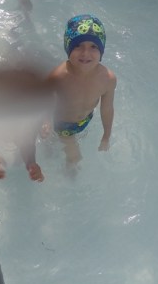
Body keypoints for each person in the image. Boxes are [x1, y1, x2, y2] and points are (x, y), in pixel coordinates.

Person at [46, 14, 116, 169]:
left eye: (93, 47)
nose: (85, 53)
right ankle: (69, 173)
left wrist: (106, 135)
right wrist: (45, 121)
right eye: (78, 45)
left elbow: (107, 109)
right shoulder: (59, 76)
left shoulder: (108, 79)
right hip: (62, 124)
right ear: (68, 48)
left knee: (61, 146)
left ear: (101, 50)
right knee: (75, 157)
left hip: (85, 120)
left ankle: (52, 150)